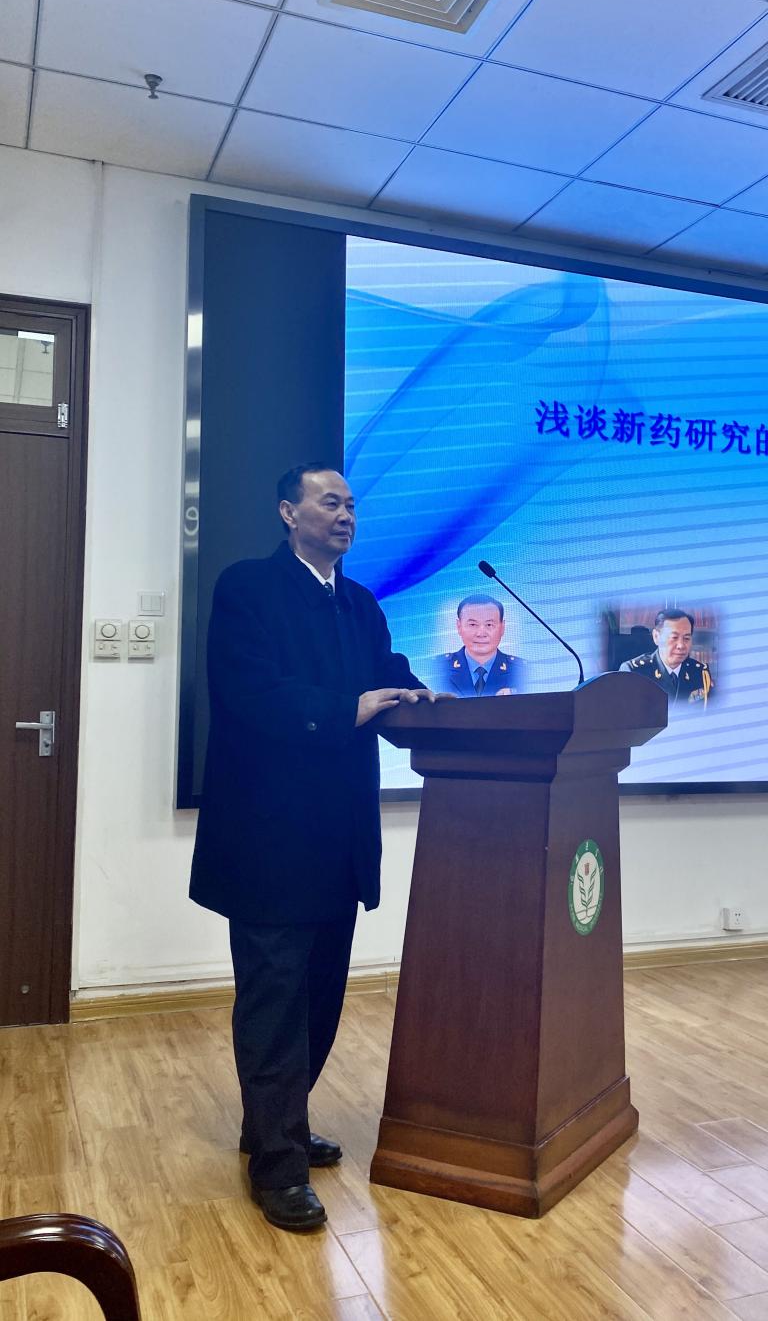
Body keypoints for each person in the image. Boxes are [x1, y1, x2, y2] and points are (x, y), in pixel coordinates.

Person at [189, 462, 447, 1233]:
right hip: (268, 842)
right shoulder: (247, 588)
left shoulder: (361, 603)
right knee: (273, 1003)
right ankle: (278, 1166)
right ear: (287, 512)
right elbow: (251, 693)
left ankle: (276, 1123)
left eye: (352, 504)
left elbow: (384, 673)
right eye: (329, 501)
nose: (345, 514)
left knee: (321, 1000)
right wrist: (347, 708)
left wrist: (417, 694)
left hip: (339, 841)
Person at [428, 594, 527, 696]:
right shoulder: (436, 667)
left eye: (489, 625)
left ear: (502, 627)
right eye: (473, 624)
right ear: (459, 626)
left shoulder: (523, 670)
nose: (480, 634)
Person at [619, 609, 713, 708]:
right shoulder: (634, 672)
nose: (681, 645)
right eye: (674, 637)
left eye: (686, 638)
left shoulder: (700, 673)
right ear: (656, 637)